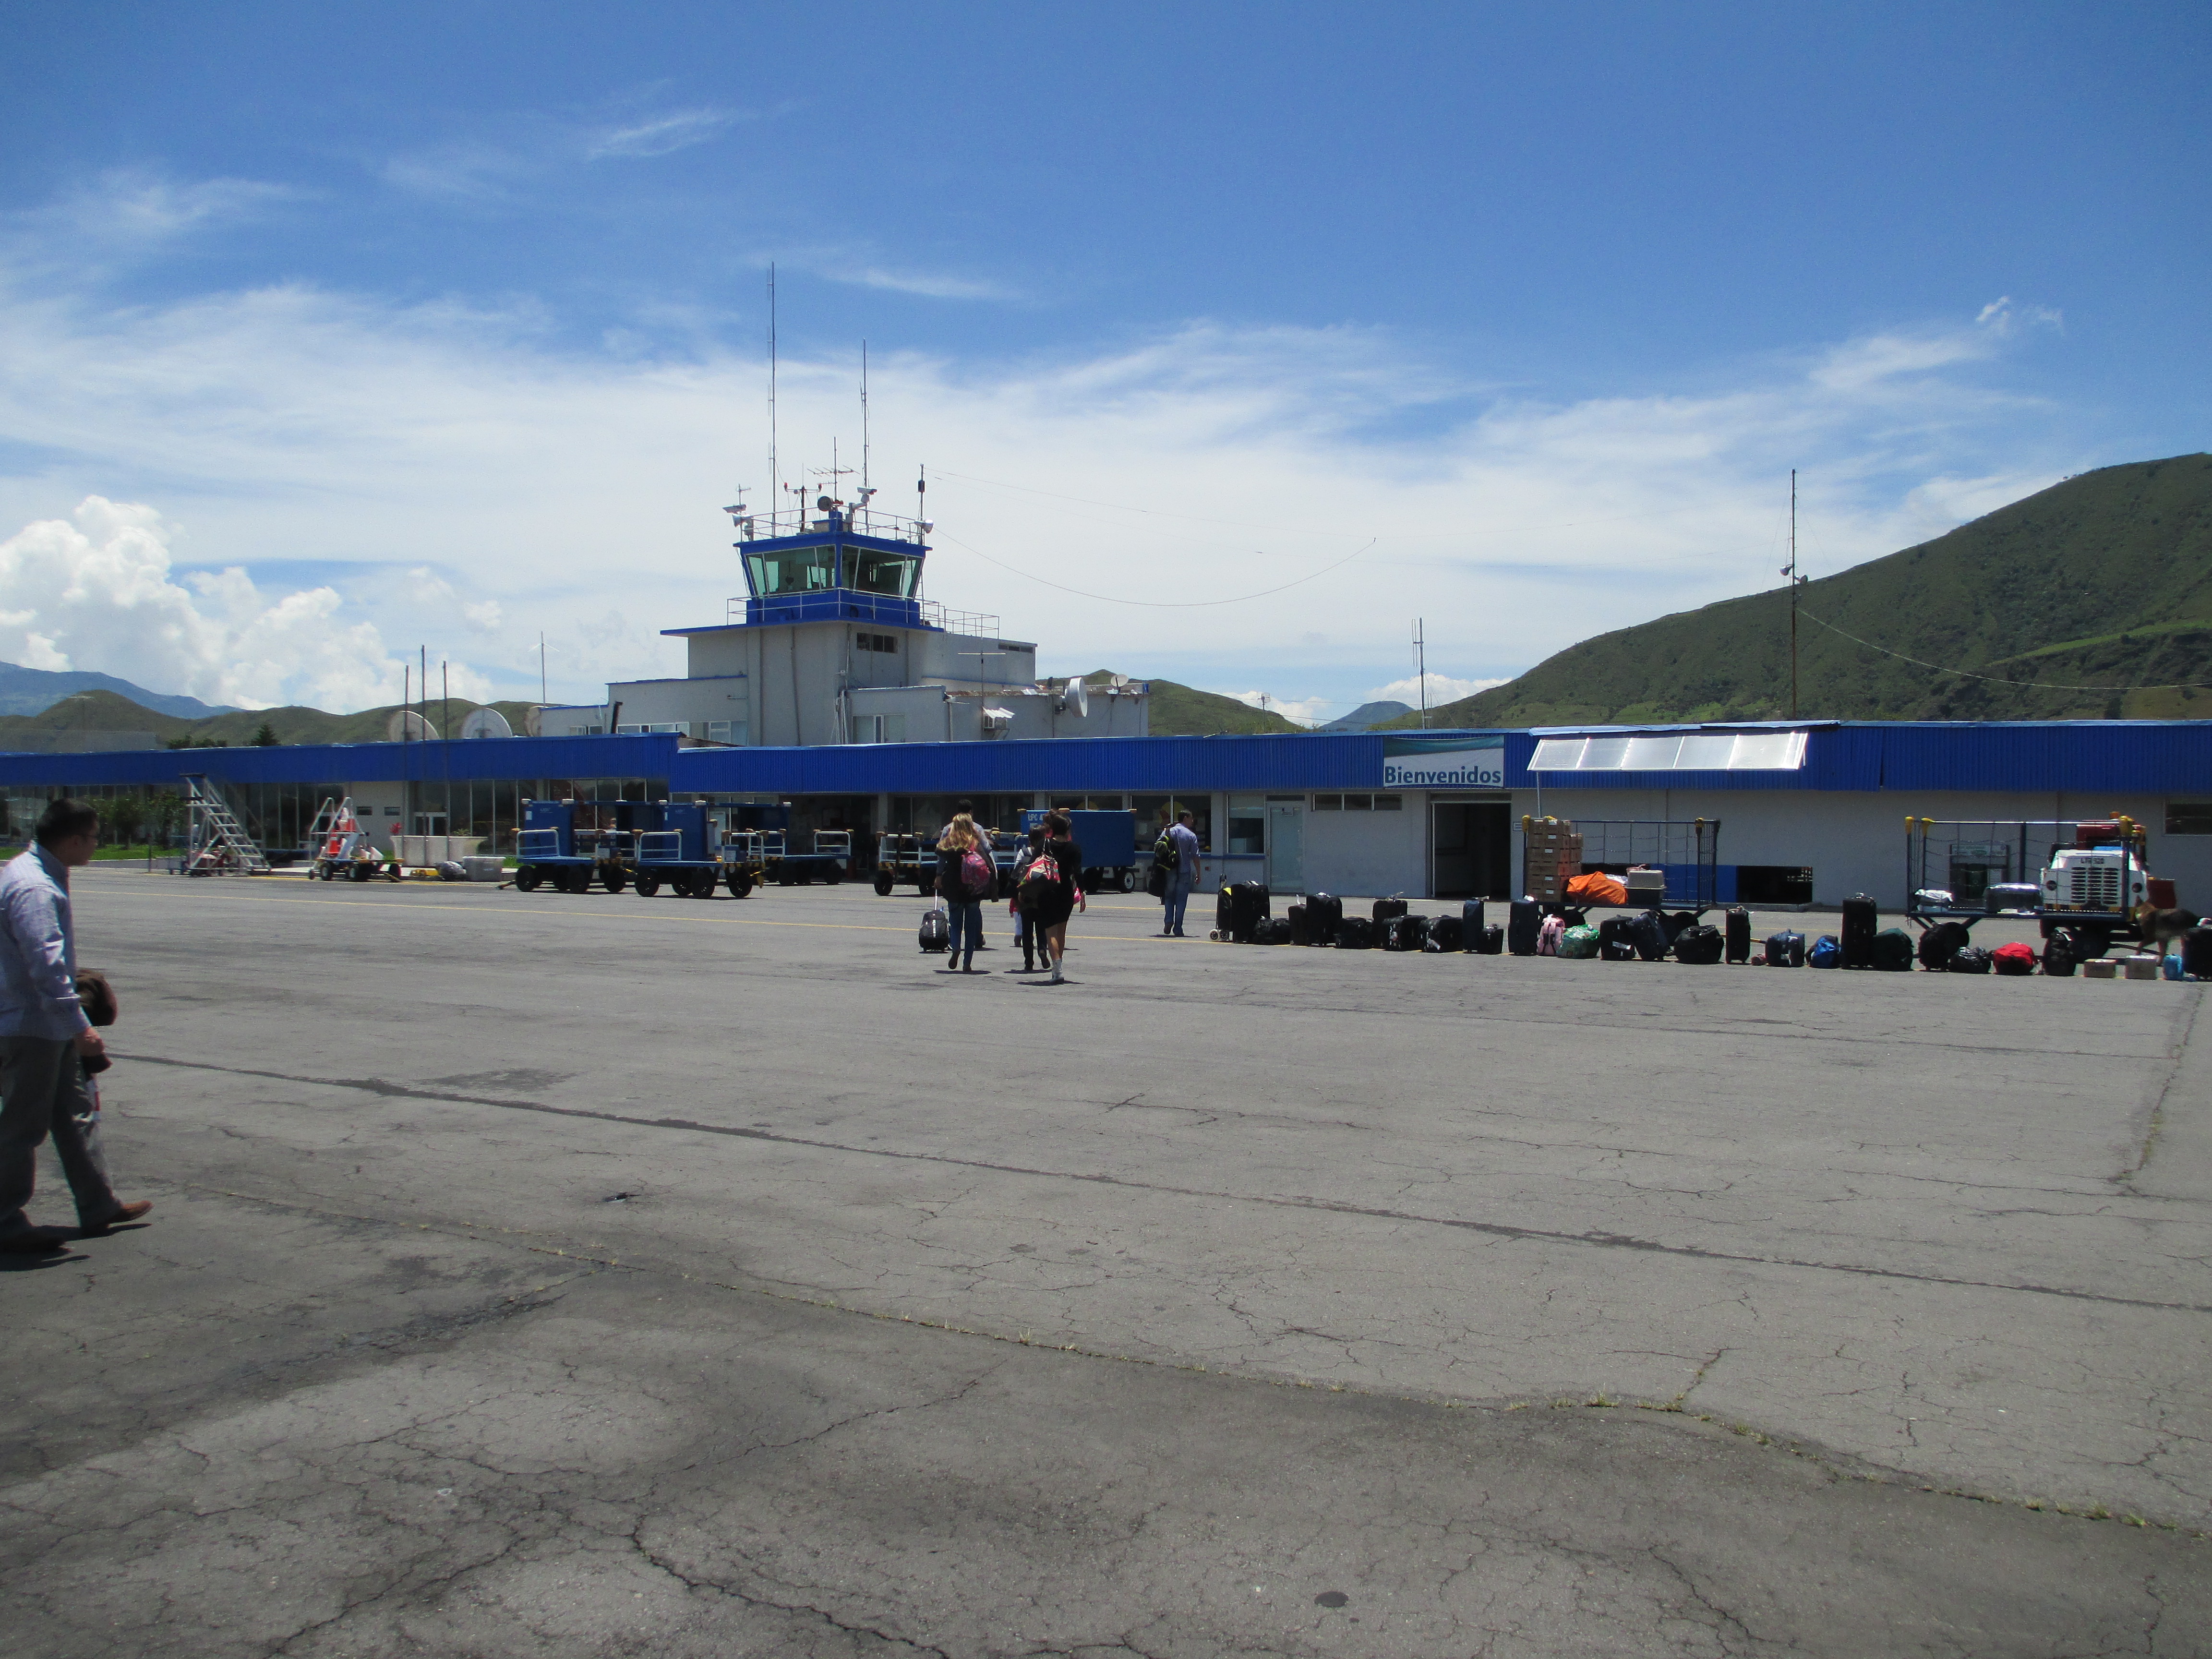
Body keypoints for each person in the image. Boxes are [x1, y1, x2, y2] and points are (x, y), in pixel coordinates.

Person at [0, 798, 150, 1252]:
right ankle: (5, 1221)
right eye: (94, 838)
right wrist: (80, 1027)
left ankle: (98, 1202)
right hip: (33, 1025)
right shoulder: (35, 889)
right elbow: (46, 967)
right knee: (22, 1127)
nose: (96, 845)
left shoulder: (30, 871)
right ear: (73, 840)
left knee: (75, 1111)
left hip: (48, 1022)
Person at [1028, 810, 1085, 984]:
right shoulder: (1074, 848)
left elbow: (1033, 865)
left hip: (1047, 891)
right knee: (1061, 932)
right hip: (1066, 893)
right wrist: (1082, 893)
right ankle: (1058, 966)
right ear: (1067, 830)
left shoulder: (1044, 844)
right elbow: (1077, 872)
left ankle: (1057, 969)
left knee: (1050, 932)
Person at [933, 812, 991, 974]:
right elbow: (987, 852)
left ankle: (956, 948)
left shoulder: (948, 842)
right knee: (971, 926)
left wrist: (938, 876)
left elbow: (940, 857)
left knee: (955, 920)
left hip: (952, 885)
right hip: (972, 887)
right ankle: (968, 962)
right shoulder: (974, 842)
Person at [1159, 809, 1204, 938]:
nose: (1192, 821)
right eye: (1191, 819)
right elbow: (1195, 856)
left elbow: (1159, 849)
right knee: (1181, 900)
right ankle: (1178, 929)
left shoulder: (1167, 831)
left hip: (1170, 870)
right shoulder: (1190, 835)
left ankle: (1168, 921)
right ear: (1185, 819)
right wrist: (1199, 873)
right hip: (1184, 871)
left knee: (1169, 897)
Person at [1007, 826, 1046, 973]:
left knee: (1027, 931)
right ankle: (1042, 949)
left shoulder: (1024, 852)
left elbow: (1016, 871)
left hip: (1025, 895)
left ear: (1029, 838)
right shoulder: (1046, 853)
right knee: (1041, 929)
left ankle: (1029, 962)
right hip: (1041, 896)